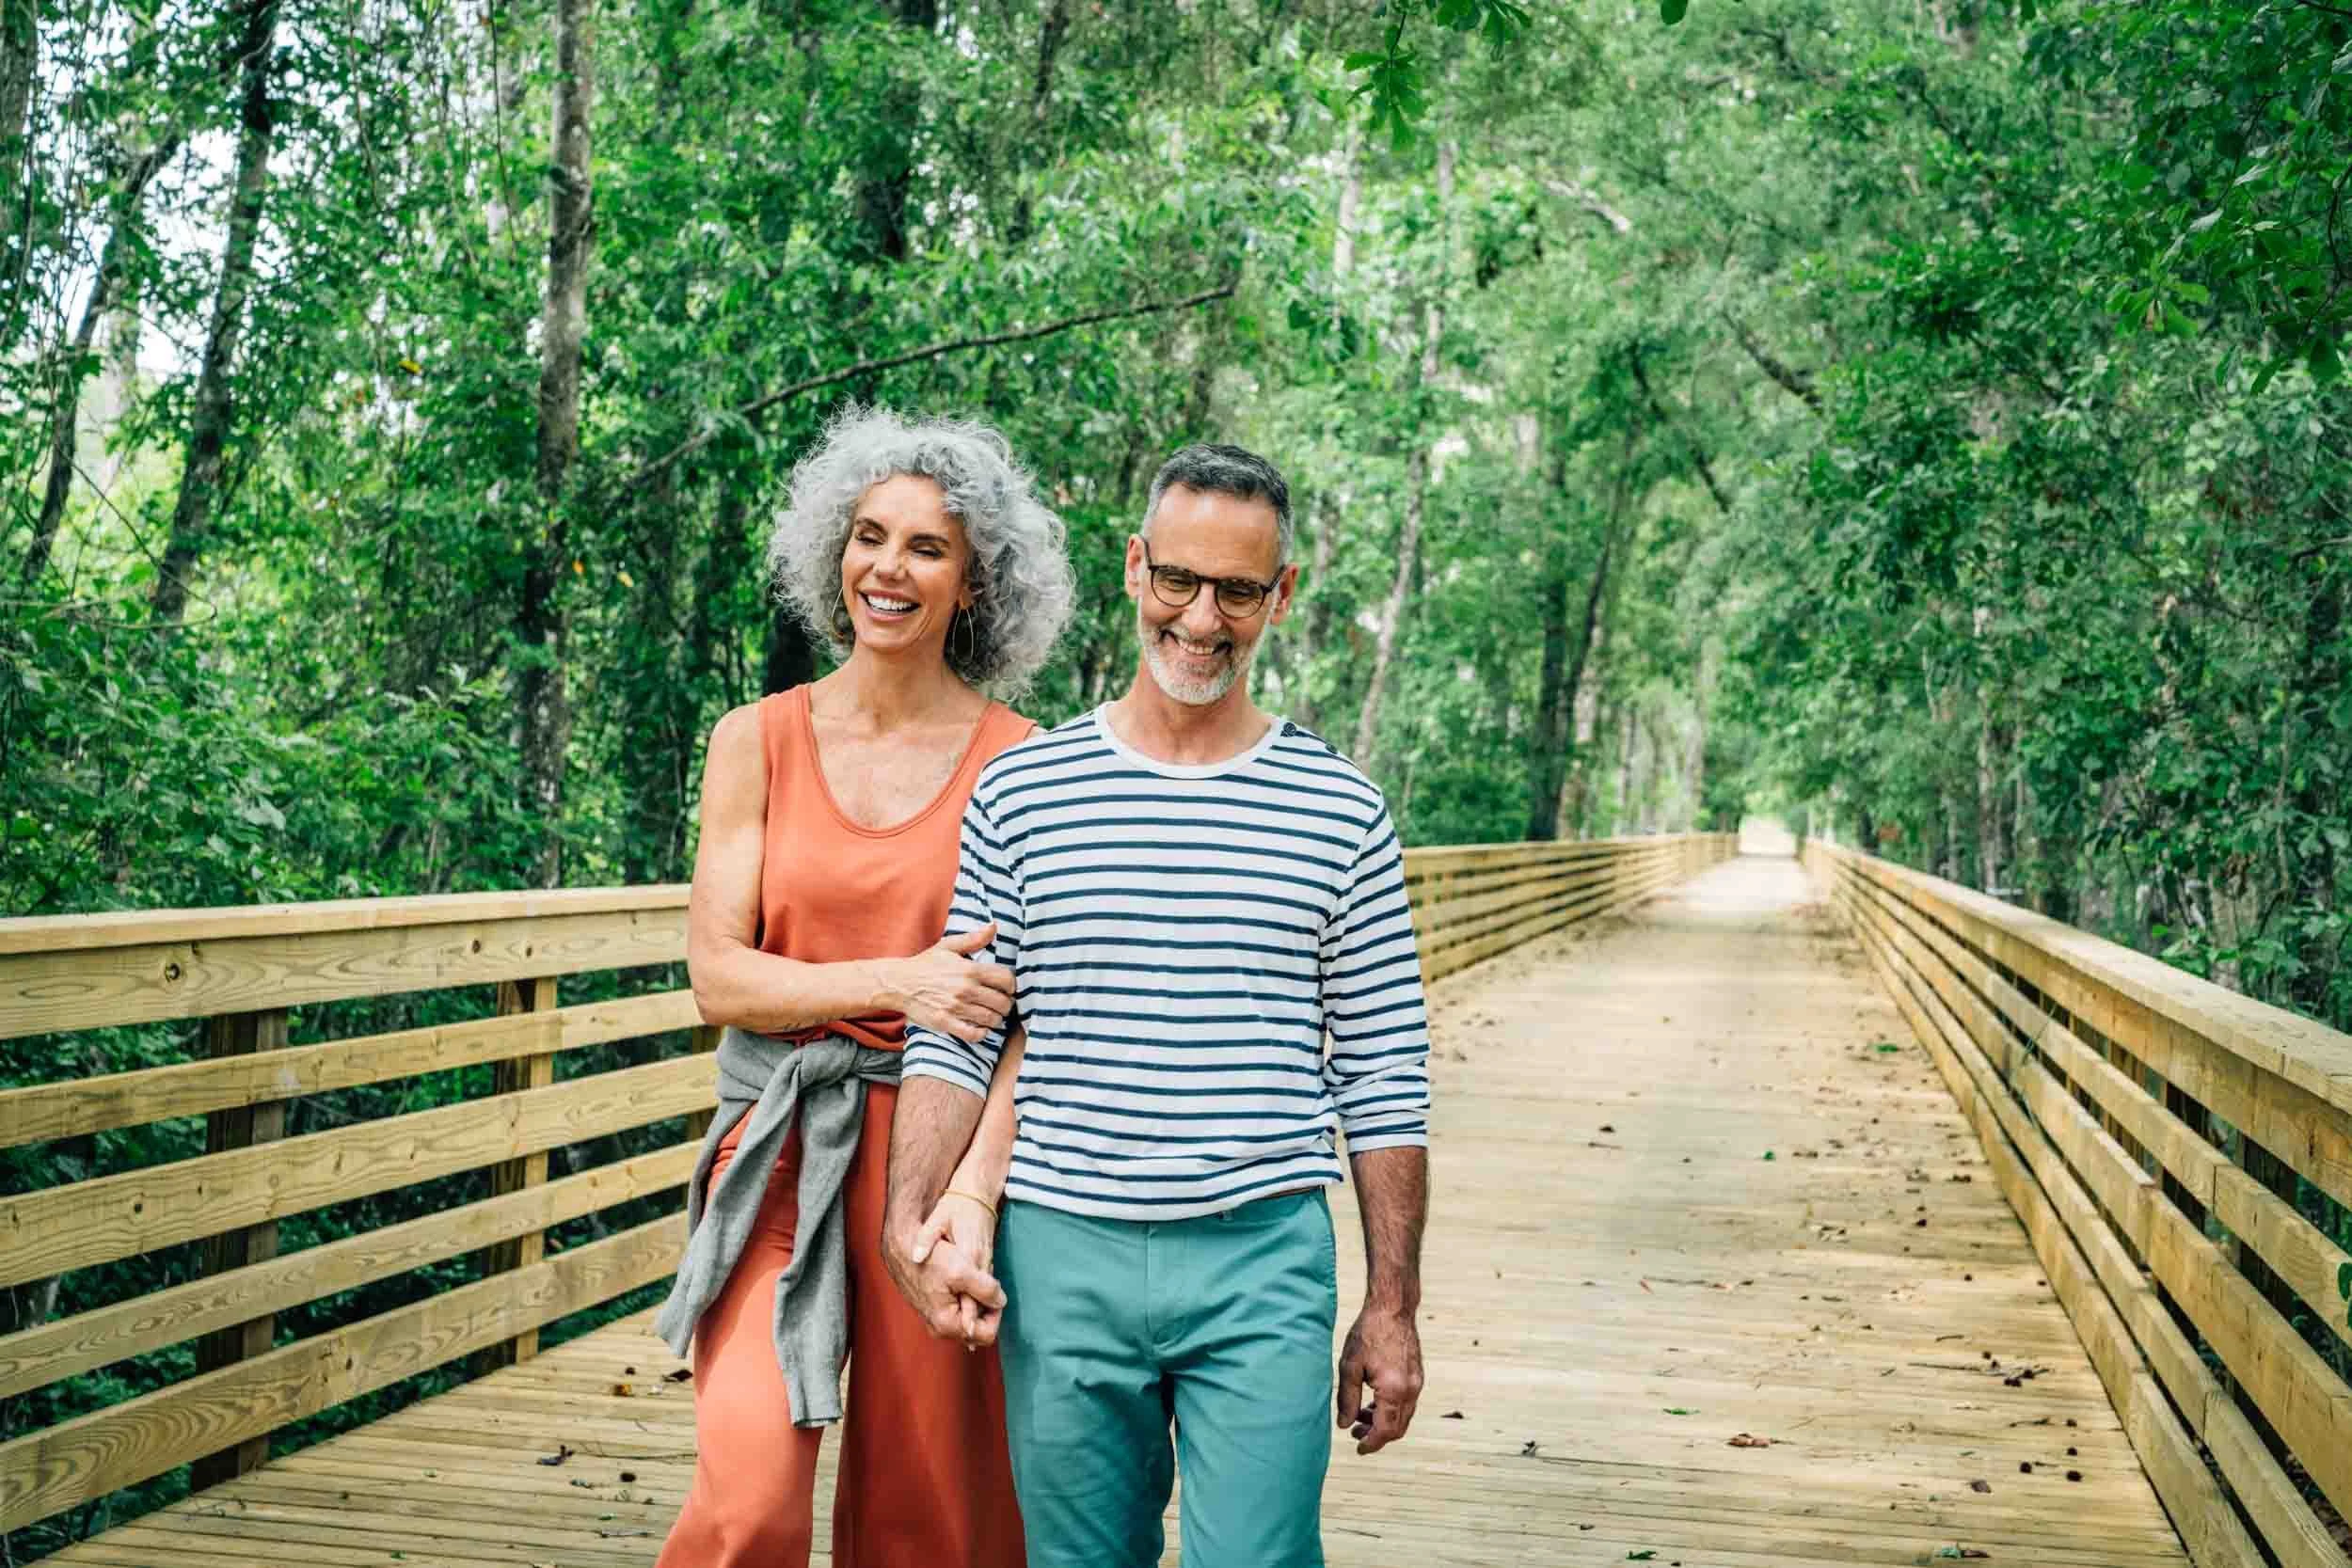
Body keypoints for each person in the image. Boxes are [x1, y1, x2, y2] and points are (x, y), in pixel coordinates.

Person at [883, 442, 1434, 1568]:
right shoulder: (1025, 790)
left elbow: (1383, 1072)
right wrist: (911, 1216)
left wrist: (1392, 1306)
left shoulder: (1340, 808)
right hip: (1060, 1252)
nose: (1201, 618)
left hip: (1260, 1256)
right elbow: (960, 1023)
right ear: (1135, 569)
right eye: (1178, 579)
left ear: (1281, 596)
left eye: (1238, 590)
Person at [651, 405, 1073, 1568]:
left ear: (976, 584)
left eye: (927, 548)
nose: (889, 567)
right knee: (748, 1506)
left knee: (931, 1523)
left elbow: (1038, 1018)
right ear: (833, 553)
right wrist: (902, 978)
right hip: (778, 1139)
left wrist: (973, 1192)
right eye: (869, 536)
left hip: (935, 1160)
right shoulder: (756, 737)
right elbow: (716, 973)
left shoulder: (1026, 762)